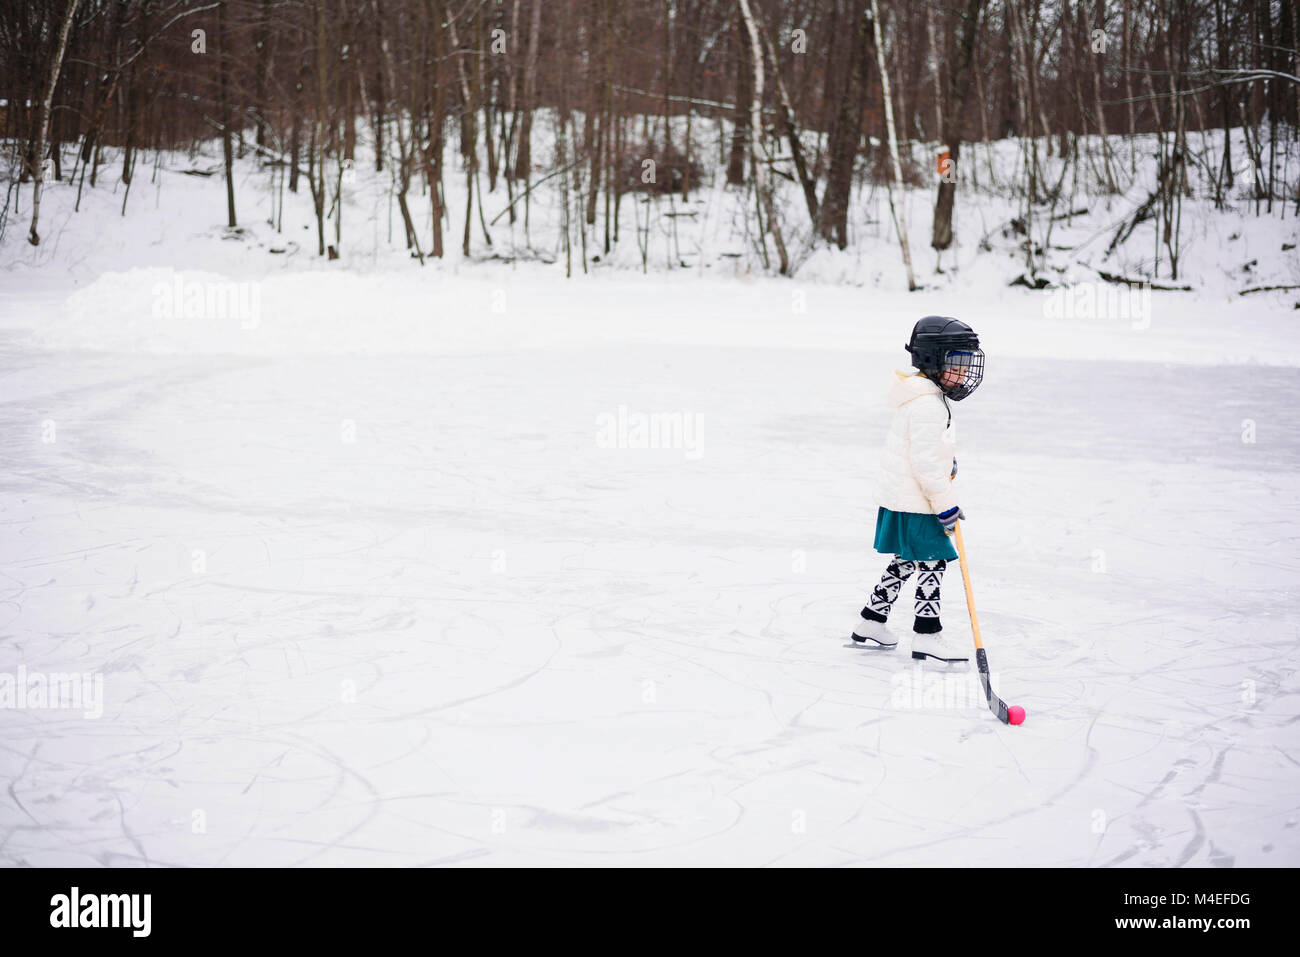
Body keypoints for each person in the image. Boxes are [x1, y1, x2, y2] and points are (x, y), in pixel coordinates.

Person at [848, 316, 985, 663]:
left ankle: (870, 621)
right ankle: (927, 634)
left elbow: (923, 452)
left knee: (908, 560)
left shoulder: (924, 396)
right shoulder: (927, 405)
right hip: (917, 501)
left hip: (904, 497)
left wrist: (945, 462)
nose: (963, 373)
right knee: (934, 561)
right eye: (957, 364)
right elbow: (925, 466)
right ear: (932, 360)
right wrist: (946, 507)